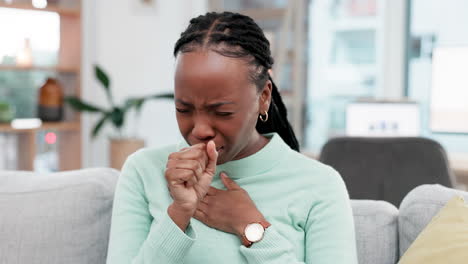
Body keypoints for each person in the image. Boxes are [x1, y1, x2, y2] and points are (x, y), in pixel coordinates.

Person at [106, 11, 357, 264]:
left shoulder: (320, 184)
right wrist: (178, 215)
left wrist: (251, 226)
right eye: (183, 109)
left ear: (264, 97)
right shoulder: (143, 171)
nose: (200, 129)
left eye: (222, 112)